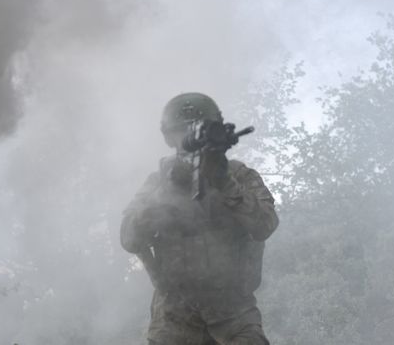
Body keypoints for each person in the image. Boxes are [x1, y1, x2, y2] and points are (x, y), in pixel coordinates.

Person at [120, 92, 279, 345]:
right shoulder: (158, 181)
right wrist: (166, 192)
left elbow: (264, 225)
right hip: (174, 320)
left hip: (233, 316)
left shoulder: (239, 176)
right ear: (170, 138)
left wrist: (224, 181)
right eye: (180, 133)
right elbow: (129, 238)